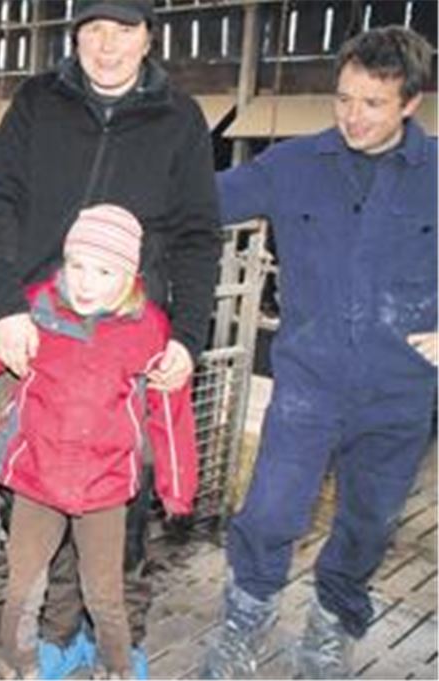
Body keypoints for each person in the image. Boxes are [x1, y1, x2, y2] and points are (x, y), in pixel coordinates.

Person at [0, 0, 220, 675]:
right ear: (76, 34)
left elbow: (199, 235)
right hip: (35, 331)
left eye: (125, 29)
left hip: (131, 341)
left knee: (123, 504)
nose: (107, 46)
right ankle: (54, 636)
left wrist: (189, 337)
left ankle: (122, 638)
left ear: (149, 36)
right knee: (26, 491)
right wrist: (5, 307)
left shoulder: (181, 119)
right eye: (93, 29)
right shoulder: (36, 102)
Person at [199, 26, 437, 679]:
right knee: (272, 508)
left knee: (369, 521)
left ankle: (331, 627)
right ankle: (242, 625)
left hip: (400, 391)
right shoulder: (293, 164)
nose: (352, 117)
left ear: (412, 102)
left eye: (373, 104)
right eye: (343, 99)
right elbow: (197, 204)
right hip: (309, 381)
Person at [0, 204, 199, 679]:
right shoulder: (32, 313)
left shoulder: (149, 330)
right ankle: (17, 667)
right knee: (23, 589)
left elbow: (170, 412)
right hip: (36, 481)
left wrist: (177, 487)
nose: (86, 282)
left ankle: (119, 668)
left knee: (104, 593)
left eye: (104, 270)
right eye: (77, 265)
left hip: (105, 488)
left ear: (130, 274)